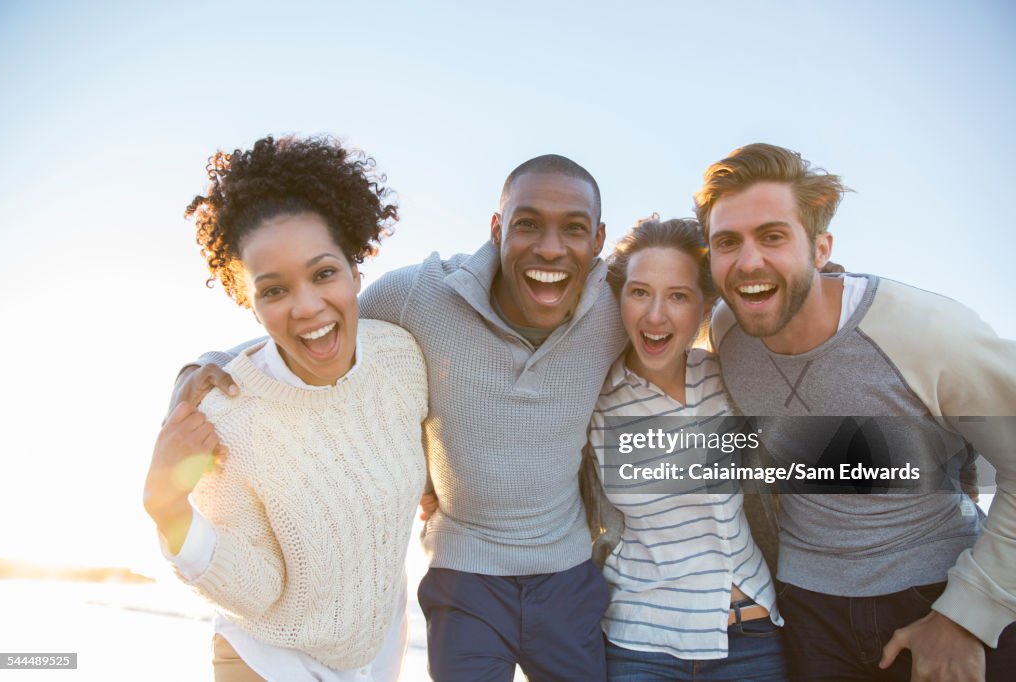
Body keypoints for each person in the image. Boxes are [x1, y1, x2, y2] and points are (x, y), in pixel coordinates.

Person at [175, 154, 630, 681]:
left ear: (598, 240)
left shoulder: (617, 309)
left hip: (567, 573)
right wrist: (206, 363)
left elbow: (691, 322)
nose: (549, 248)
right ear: (497, 229)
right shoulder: (422, 295)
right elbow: (319, 325)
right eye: (527, 223)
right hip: (465, 573)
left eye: (572, 229)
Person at [695, 142, 1016, 681]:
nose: (749, 261)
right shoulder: (727, 331)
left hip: (940, 590)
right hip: (809, 611)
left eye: (773, 236)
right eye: (728, 242)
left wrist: (966, 616)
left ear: (821, 248)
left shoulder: (926, 332)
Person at [143, 136, 428, 681]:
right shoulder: (231, 418)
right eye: (274, 291)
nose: (306, 306)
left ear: (355, 271)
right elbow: (257, 587)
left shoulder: (400, 358)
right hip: (268, 663)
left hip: (374, 660)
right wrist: (167, 507)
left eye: (324, 274)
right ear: (249, 302)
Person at [588, 216, 787, 680]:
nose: (655, 316)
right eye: (639, 292)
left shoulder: (732, 376)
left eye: (678, 295)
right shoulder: (594, 397)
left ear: (705, 304)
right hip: (640, 644)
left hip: (752, 637)